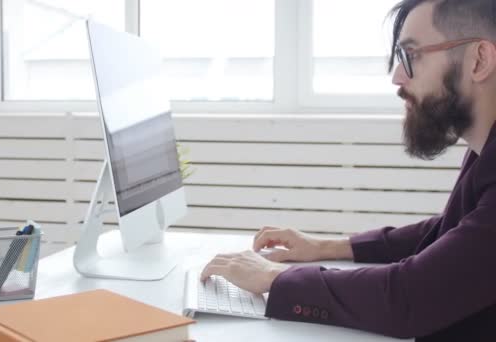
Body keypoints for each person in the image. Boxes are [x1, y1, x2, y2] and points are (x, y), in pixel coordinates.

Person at [200, 0, 496, 340]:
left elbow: (410, 296)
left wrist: (274, 278)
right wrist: (328, 247)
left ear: (479, 60)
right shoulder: (484, 151)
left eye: (412, 56)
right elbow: (449, 233)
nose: (397, 77)